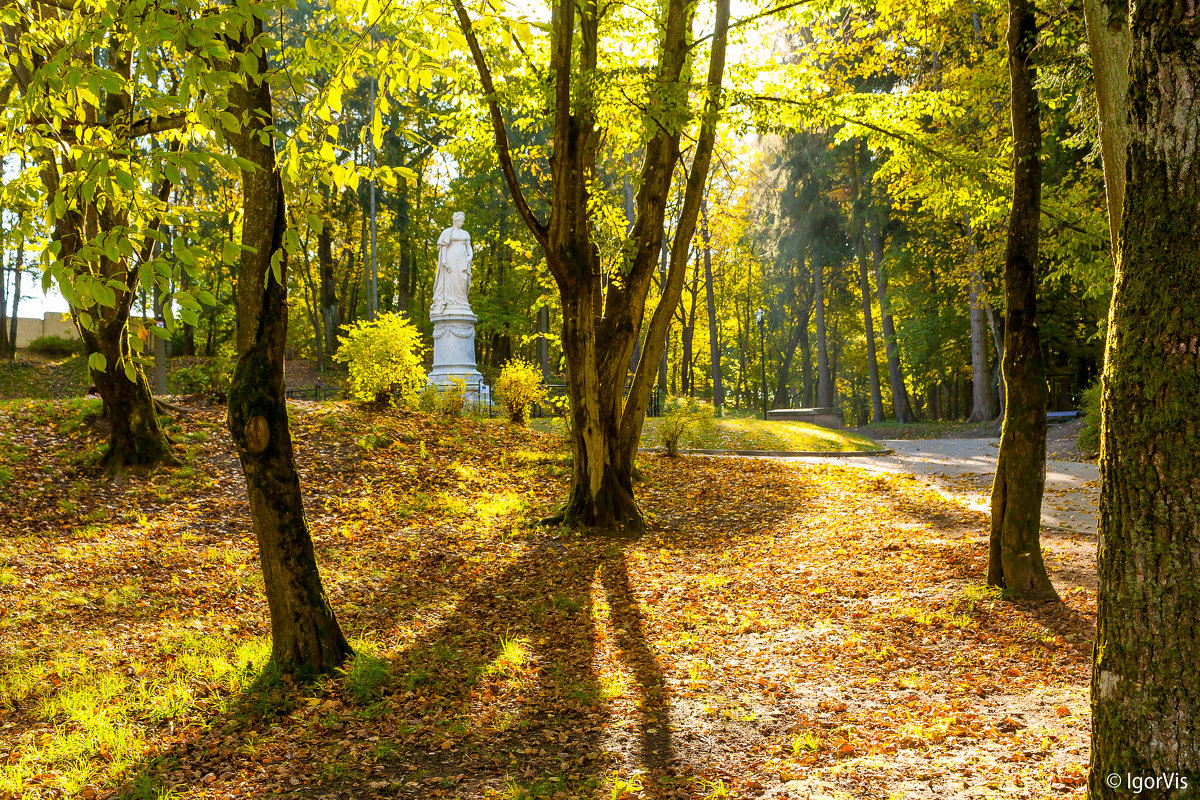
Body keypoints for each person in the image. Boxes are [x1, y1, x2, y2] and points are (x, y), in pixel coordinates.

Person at [431, 211, 473, 314]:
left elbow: (469, 247)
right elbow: (444, 246)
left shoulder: (465, 234)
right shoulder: (447, 232)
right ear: (455, 221)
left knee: (463, 279)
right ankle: (451, 301)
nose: (461, 223)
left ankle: (462, 301)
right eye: (459, 221)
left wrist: (470, 256)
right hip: (451, 258)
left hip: (462, 259)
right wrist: (444, 260)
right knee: (451, 278)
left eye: (462, 221)